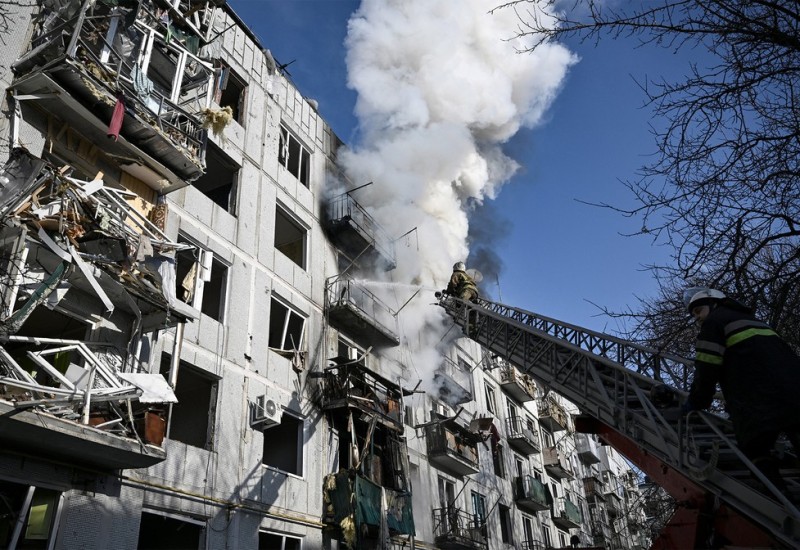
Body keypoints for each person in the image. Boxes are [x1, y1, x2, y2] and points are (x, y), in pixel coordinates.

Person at [683, 287, 800, 493]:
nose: (698, 318)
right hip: (793, 392)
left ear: (714, 304)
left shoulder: (714, 323)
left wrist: (697, 401)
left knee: (756, 451)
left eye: (699, 311)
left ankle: (783, 506)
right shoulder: (756, 322)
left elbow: (706, 367)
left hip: (755, 400)